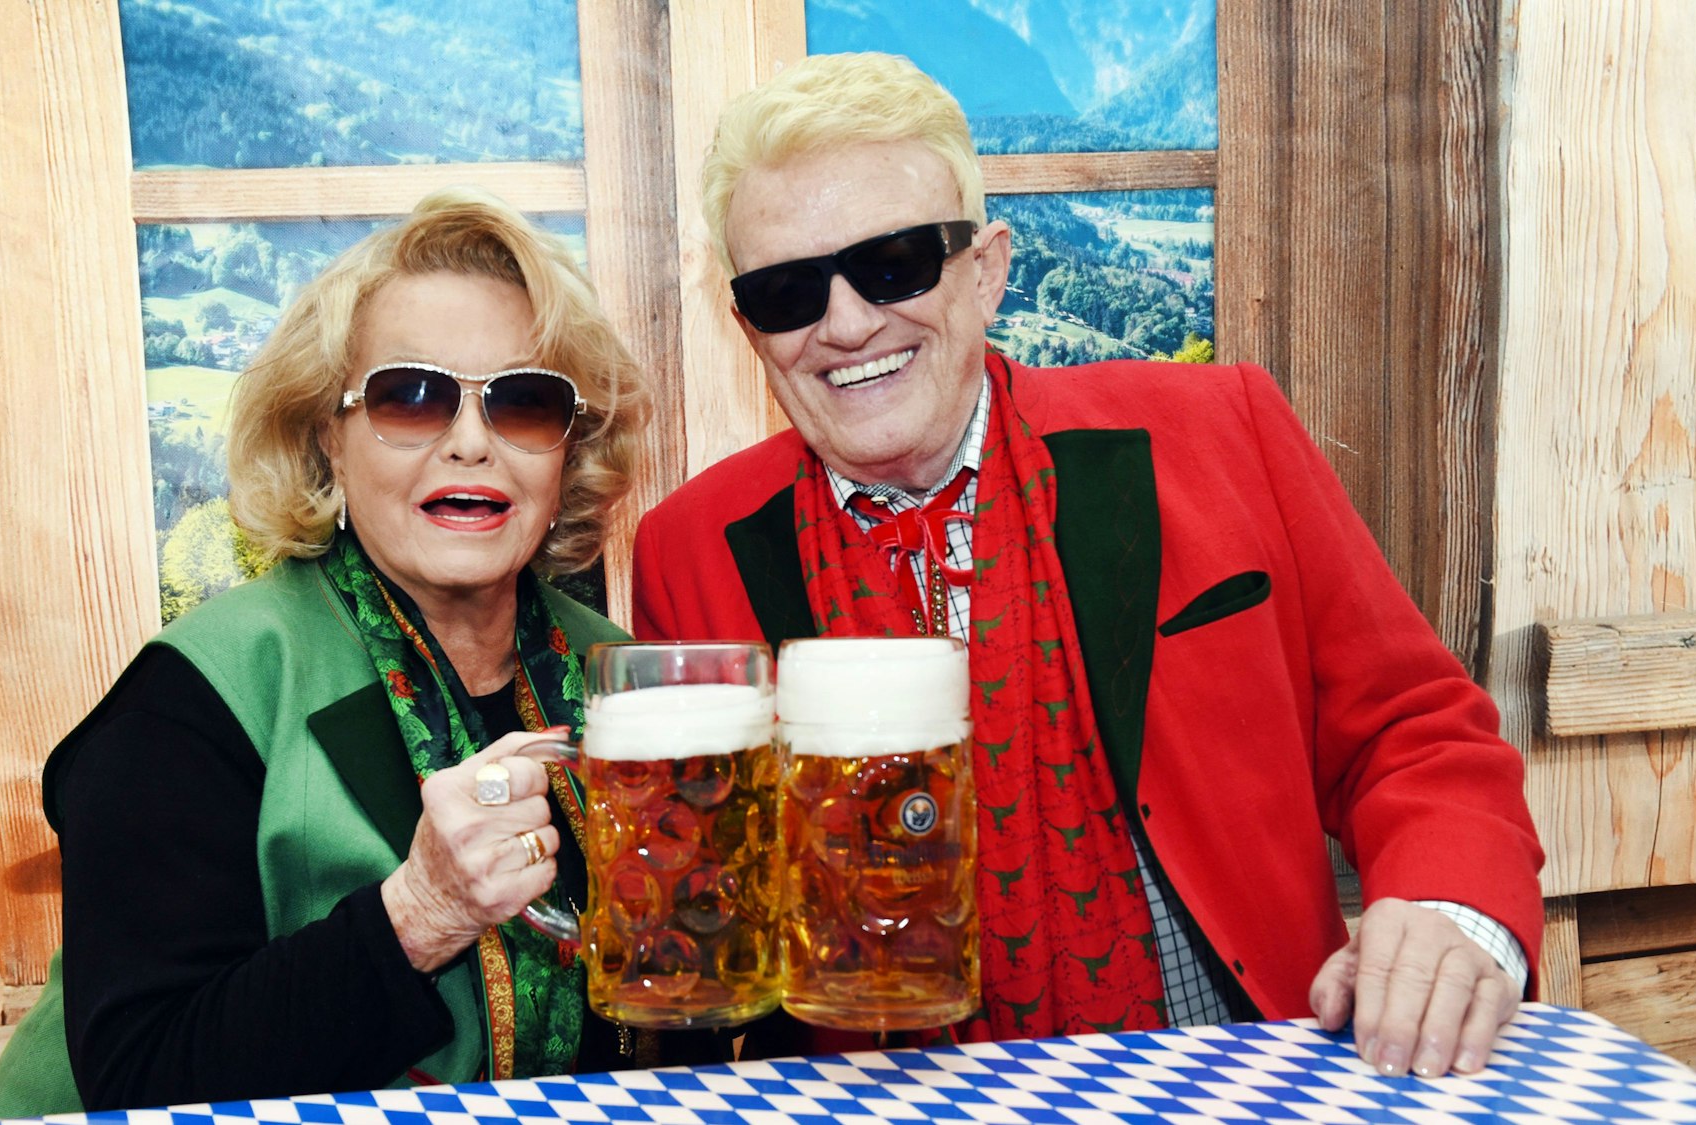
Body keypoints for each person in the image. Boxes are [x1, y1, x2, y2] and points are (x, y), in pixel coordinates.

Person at [633, 52, 1544, 1080]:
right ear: (748, 326)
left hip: (1246, 1081)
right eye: (787, 290)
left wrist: (1448, 910)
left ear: (986, 270)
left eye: (894, 265)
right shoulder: (689, 545)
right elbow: (695, 909)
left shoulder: (1220, 429)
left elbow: (1410, 732)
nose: (845, 325)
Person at [0, 188, 666, 1116]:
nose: (472, 441)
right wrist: (423, 912)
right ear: (327, 441)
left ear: (567, 449)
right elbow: (141, 1081)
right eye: (411, 397)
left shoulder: (626, 676)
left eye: (524, 402)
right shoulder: (195, 694)